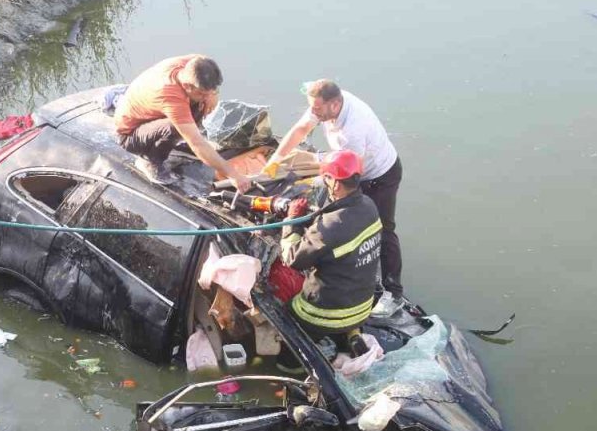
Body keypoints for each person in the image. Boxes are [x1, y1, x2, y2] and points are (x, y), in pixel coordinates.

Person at [265, 79, 404, 313]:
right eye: (312, 107)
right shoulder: (324, 103)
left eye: (317, 109)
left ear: (335, 104)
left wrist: (320, 177)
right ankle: (341, 264)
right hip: (349, 169)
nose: (313, 113)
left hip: (380, 175)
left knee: (383, 228)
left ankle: (393, 293)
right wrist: (276, 159)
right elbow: (300, 130)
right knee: (337, 219)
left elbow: (351, 170)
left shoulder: (353, 129)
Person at [277, 151, 382, 373]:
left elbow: (292, 258)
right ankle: (350, 335)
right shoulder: (369, 206)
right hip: (363, 306)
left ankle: (291, 369)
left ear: (335, 185)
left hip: (326, 313)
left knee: (285, 318)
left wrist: (292, 220)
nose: (324, 182)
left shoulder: (329, 226)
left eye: (326, 177)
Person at [114, 54, 251, 192]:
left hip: (151, 116)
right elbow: (197, 144)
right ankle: (150, 162)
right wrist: (233, 175)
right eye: (202, 93)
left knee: (199, 106)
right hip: (130, 135)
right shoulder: (170, 96)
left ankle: (184, 134)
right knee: (175, 127)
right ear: (187, 85)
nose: (208, 96)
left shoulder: (196, 63)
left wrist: (211, 96)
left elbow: (206, 66)